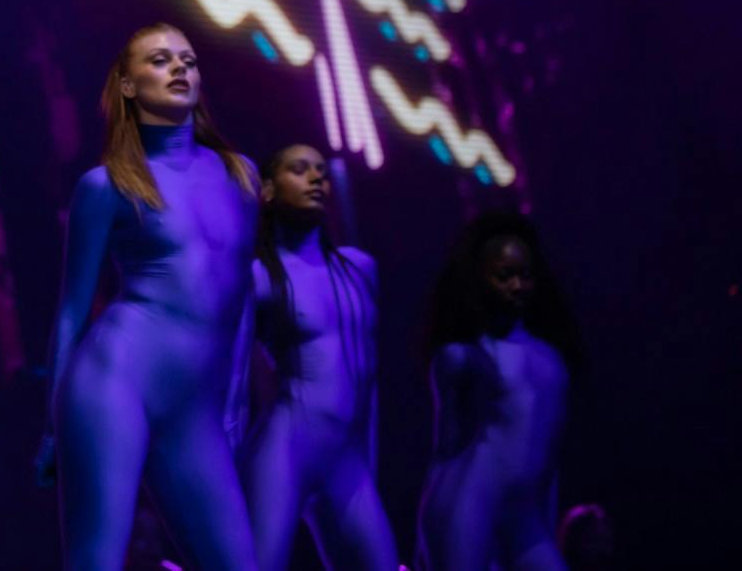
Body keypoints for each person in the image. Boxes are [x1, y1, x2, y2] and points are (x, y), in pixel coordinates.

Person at [39, 22, 258, 571]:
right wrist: (51, 424)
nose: (180, 68)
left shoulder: (242, 175)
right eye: (160, 60)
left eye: (188, 59)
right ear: (129, 85)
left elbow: (243, 298)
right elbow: (71, 312)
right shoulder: (106, 184)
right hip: (114, 382)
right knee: (97, 561)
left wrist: (235, 399)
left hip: (195, 408)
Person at [240, 144, 397, 569]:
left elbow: (370, 378)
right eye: (299, 169)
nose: (315, 179)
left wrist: (368, 459)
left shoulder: (360, 268)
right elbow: (234, 375)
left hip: (347, 459)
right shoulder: (260, 276)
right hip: (286, 451)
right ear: (268, 190)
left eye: (321, 172)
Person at [416, 211, 581, 571]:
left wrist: (546, 521)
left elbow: (550, 459)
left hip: (526, 518)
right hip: (469, 505)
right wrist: (425, 536)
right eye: (504, 277)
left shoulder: (551, 359)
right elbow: (444, 451)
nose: (518, 286)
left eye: (525, 275)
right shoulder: (462, 356)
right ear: (480, 279)